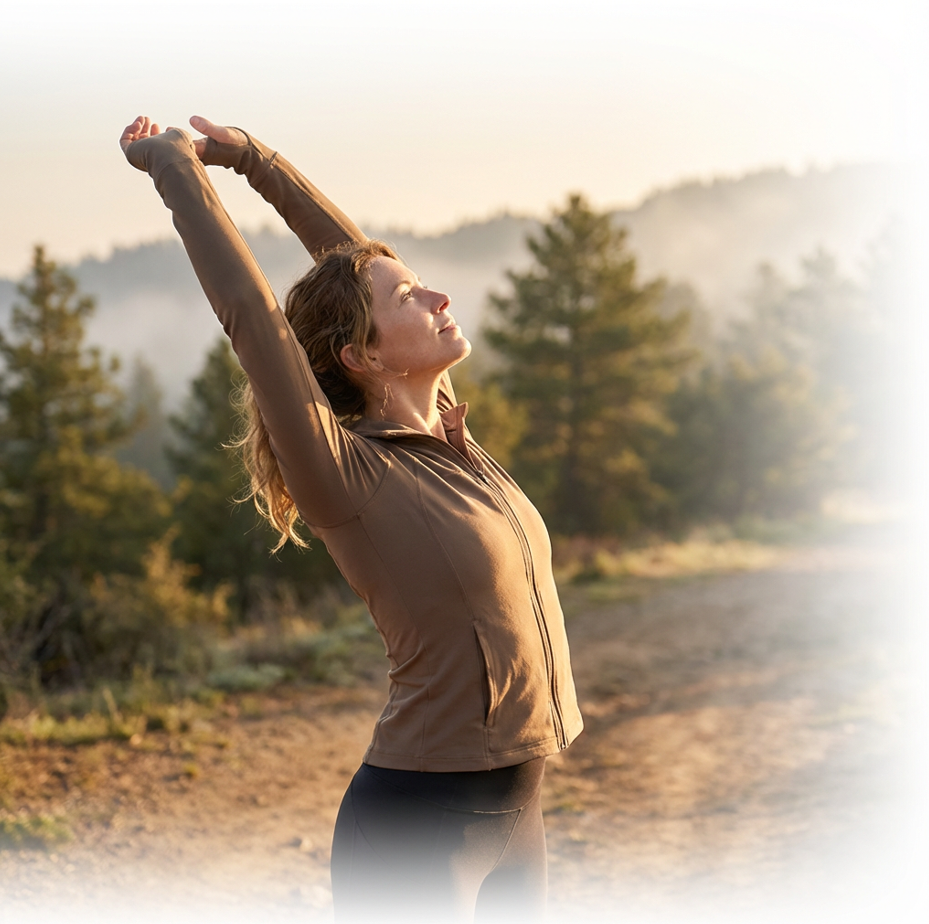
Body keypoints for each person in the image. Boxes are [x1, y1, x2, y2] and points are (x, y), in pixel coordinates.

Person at [119, 115, 583, 924]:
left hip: (519, 810)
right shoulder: (350, 474)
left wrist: (261, 165)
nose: (438, 296)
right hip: (416, 825)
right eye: (411, 299)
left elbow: (356, 267)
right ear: (362, 358)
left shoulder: (453, 442)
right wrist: (174, 169)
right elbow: (255, 319)